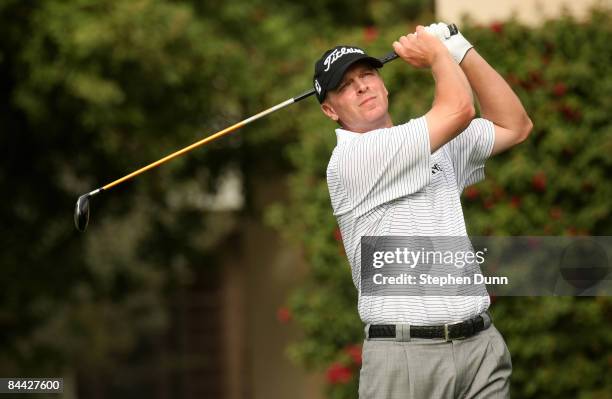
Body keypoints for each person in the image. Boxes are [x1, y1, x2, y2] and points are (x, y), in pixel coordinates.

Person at [314, 23, 533, 398]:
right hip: (405, 358)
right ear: (330, 110)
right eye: (344, 85)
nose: (362, 86)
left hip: (480, 346)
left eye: (367, 74)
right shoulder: (351, 159)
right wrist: (435, 54)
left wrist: (460, 48)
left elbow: (515, 125)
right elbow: (460, 108)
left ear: (384, 85)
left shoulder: (435, 143)